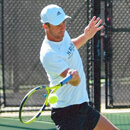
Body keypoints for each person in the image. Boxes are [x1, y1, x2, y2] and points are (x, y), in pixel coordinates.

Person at [40, 4, 118, 130]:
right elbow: (74, 82)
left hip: (81, 106)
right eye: (57, 25)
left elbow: (70, 47)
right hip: (67, 112)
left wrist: (86, 36)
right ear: (45, 26)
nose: (62, 27)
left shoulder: (62, 34)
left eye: (63, 22)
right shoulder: (49, 54)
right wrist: (73, 76)